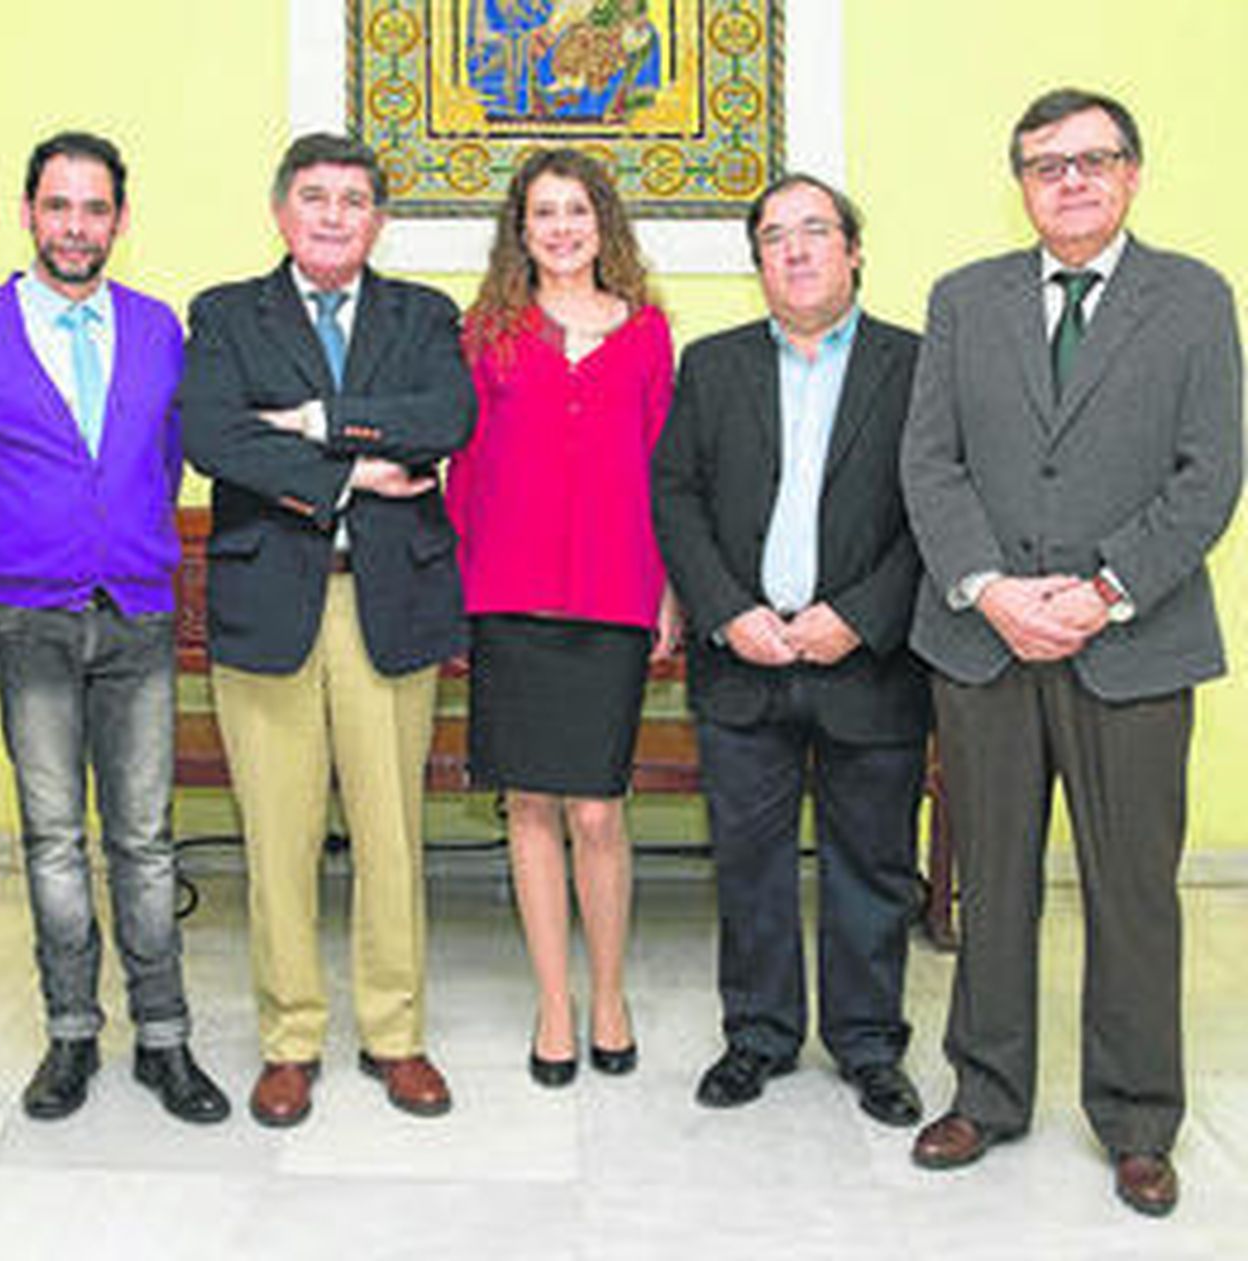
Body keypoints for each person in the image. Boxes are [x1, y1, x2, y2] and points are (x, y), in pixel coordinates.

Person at [900, 88, 1242, 1217]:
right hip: (983, 641)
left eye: (1093, 160)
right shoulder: (964, 300)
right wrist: (993, 589)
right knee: (990, 882)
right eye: (1047, 165)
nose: (1072, 180)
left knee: (1131, 891)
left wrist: (1100, 592)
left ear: (1133, 175)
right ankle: (984, 1095)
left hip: (1132, 647)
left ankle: (1139, 1120)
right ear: (1022, 185)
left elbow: (1208, 475)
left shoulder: (1193, 299)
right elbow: (930, 463)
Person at [181, 133, 475, 1127]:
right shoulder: (225, 315)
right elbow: (213, 435)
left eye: (354, 200)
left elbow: (445, 417)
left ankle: (395, 1035)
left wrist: (310, 422)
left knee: (391, 834)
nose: (335, 215)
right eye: (315, 197)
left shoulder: (423, 314)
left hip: (388, 604)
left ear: (378, 220)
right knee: (279, 836)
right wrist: (354, 467)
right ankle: (290, 1040)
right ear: (281, 213)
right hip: (269, 605)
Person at [0, 132, 227, 1127]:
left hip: (139, 615)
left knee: (145, 839)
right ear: (27, 213)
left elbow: (178, 455)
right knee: (55, 838)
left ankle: (164, 1039)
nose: (75, 226)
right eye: (57, 206)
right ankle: (70, 1032)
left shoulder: (159, 331)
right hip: (28, 616)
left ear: (120, 219)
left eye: (94, 208)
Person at [652, 174, 929, 1127]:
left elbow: (939, 505)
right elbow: (675, 493)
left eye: (817, 231)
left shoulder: (919, 364)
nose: (798, 250)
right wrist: (727, 612)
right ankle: (759, 1035)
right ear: (757, 260)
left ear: (853, 250)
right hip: (746, 657)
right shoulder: (713, 363)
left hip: (870, 657)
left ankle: (868, 1044)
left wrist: (861, 611)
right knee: (749, 861)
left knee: (873, 863)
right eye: (776, 236)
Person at [446, 147, 675, 1087]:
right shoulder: (487, 330)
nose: (562, 228)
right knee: (531, 804)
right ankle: (553, 1001)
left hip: (616, 592)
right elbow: (462, 469)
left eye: (577, 210)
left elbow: (669, 469)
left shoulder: (651, 332)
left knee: (596, 808)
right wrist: (453, 594)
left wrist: (672, 590)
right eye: (544, 213)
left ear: (602, 222)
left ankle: (609, 991)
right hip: (508, 594)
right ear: (521, 229)